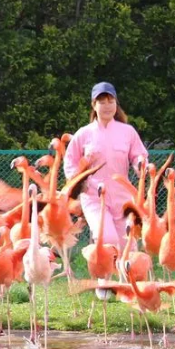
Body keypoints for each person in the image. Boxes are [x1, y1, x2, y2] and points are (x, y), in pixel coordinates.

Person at [64, 82, 148, 250]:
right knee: (107, 238)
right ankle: (104, 276)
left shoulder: (128, 131)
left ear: (116, 104)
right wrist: (79, 184)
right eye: (102, 102)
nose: (107, 106)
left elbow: (139, 156)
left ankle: (125, 275)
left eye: (111, 101)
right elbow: (70, 162)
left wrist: (141, 165)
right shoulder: (84, 134)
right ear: (94, 105)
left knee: (129, 244)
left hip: (122, 198)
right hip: (94, 196)